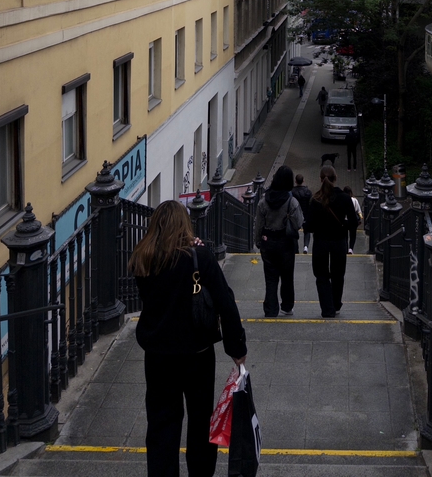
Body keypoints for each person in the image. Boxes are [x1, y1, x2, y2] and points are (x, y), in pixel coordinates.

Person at [129, 201, 247, 477]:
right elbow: (225, 302)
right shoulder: (200, 258)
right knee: (200, 421)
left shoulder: (142, 258)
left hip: (158, 356)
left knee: (161, 424)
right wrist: (236, 347)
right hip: (197, 354)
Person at [304, 164, 359, 318]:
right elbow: (354, 223)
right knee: (338, 274)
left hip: (321, 241)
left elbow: (309, 226)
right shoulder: (345, 198)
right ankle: (336, 303)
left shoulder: (316, 199)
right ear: (336, 179)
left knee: (321, 275)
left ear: (321, 179)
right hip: (339, 241)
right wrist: (343, 224)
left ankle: (327, 308)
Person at [254, 165, 304, 317]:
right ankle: (287, 306)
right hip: (286, 243)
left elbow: (258, 225)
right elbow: (299, 223)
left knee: (270, 277)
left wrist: (258, 242)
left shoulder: (263, 201)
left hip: (268, 242)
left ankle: (270, 309)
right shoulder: (292, 202)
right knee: (287, 276)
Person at [291, 173, 313, 254]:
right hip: (306, 214)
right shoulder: (308, 192)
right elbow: (311, 204)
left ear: (295, 181)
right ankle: (306, 246)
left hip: (295, 215)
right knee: (306, 231)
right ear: (303, 181)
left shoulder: (292, 192)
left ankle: (296, 248)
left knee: (294, 230)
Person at [343, 186, 362, 254]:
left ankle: (345, 248)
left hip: (344, 220)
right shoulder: (355, 200)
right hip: (353, 220)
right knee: (352, 235)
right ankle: (350, 249)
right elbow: (359, 211)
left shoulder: (343, 199)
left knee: (345, 235)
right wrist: (360, 218)